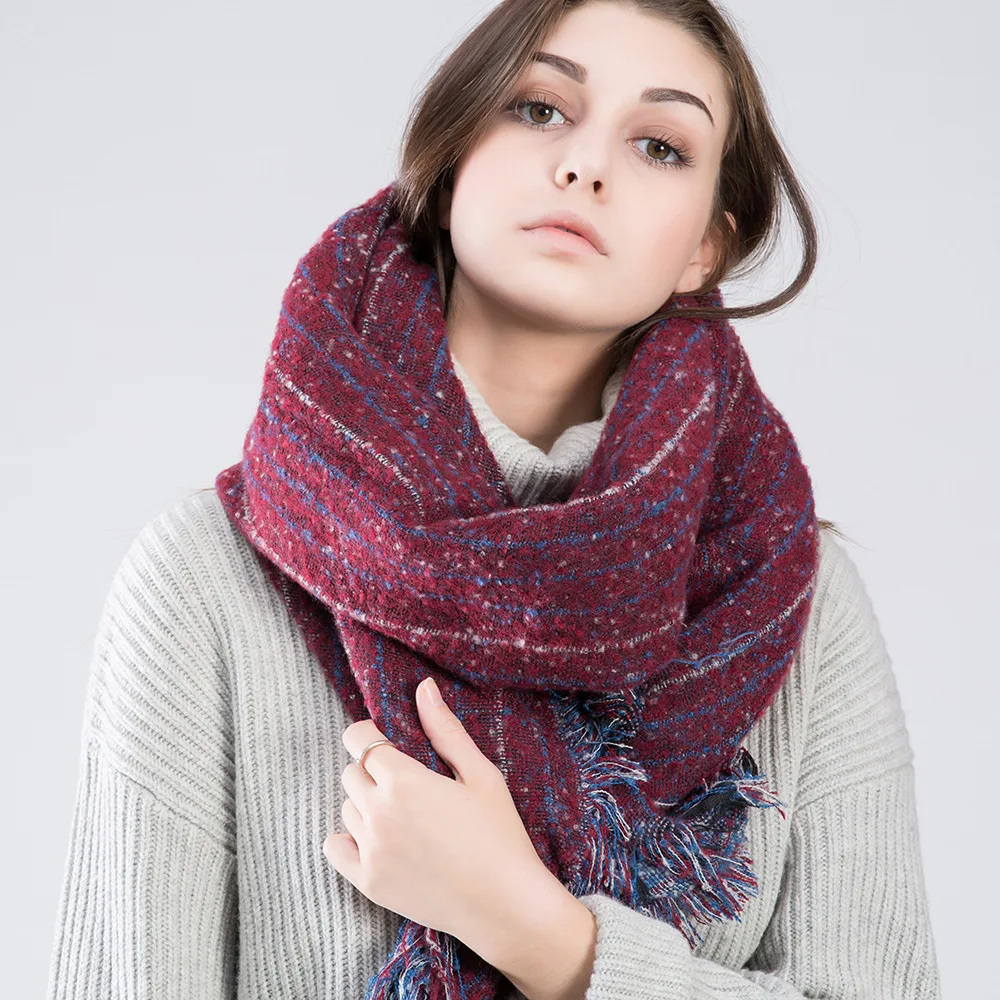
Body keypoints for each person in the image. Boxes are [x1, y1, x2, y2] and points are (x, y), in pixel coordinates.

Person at [45, 1, 941, 998]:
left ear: (706, 246)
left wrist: (537, 931)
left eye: (658, 145)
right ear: (453, 155)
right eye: (540, 108)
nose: (586, 166)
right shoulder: (203, 581)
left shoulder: (792, 598)